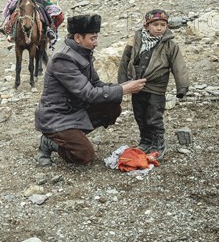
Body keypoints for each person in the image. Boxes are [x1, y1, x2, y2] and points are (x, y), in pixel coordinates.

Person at [34, 14, 146, 166]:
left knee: (112, 107)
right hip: (57, 117)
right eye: (92, 38)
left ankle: (74, 137)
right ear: (78, 37)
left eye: (96, 38)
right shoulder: (63, 59)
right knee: (84, 156)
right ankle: (51, 142)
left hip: (75, 109)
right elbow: (89, 94)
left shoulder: (82, 53)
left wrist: (121, 86)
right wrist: (124, 89)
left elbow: (96, 84)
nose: (96, 43)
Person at [117, 9, 190, 159]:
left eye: (163, 25)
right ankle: (145, 140)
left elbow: (179, 66)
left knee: (154, 117)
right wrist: (122, 84)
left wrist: (182, 87)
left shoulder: (170, 45)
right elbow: (125, 61)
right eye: (155, 24)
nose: (159, 28)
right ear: (146, 26)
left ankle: (158, 144)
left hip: (156, 88)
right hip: (137, 87)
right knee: (140, 115)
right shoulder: (136, 41)